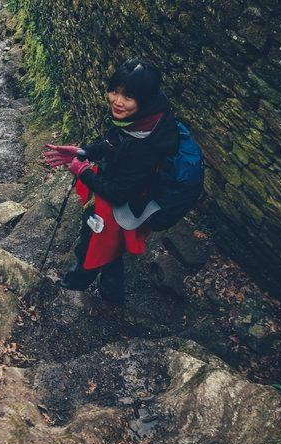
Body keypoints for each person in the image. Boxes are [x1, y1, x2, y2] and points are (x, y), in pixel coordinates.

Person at [43, 59, 179, 306]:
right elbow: (110, 143)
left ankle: (78, 284)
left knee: (94, 245)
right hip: (121, 198)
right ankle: (110, 297)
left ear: (144, 100)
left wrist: (82, 171)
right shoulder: (139, 122)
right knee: (112, 252)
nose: (117, 100)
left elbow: (117, 194)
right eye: (114, 91)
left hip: (124, 208)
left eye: (127, 96)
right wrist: (83, 152)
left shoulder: (146, 145)